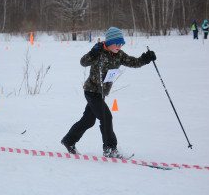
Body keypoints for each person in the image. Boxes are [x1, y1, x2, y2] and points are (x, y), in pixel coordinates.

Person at [61, 27, 157, 158]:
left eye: (121, 43)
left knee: (88, 121)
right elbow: (83, 62)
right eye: (117, 43)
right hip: (91, 91)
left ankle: (69, 140)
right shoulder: (99, 50)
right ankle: (110, 149)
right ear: (109, 42)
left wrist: (145, 59)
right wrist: (93, 53)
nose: (119, 46)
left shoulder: (119, 54)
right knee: (106, 117)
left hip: (101, 93)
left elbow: (134, 62)